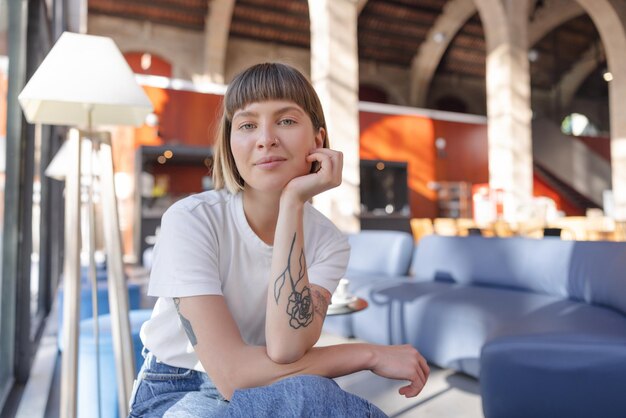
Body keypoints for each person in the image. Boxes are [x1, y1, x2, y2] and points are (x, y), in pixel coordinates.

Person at [128, 62, 429, 418]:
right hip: (177, 388)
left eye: (285, 121)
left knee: (312, 394)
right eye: (247, 125)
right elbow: (232, 375)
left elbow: (286, 349)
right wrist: (370, 354)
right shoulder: (192, 219)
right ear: (231, 142)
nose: (265, 138)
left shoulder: (329, 242)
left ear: (317, 141)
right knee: (310, 397)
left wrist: (292, 203)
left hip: (274, 377)